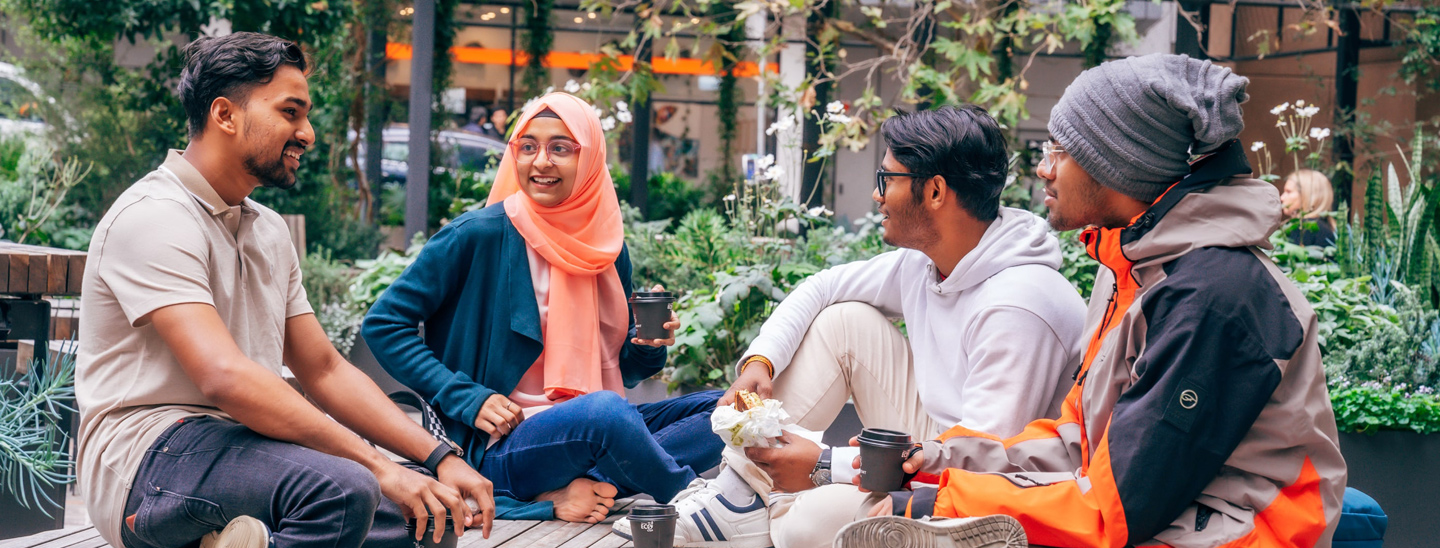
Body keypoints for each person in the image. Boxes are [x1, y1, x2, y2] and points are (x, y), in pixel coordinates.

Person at [836, 54, 1346, 548]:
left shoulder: (1213, 297)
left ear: (1117, 163)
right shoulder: (1128, 267)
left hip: (1245, 534)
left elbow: (1115, 510)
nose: (1043, 170)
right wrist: (945, 461)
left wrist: (945, 502)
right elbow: (1076, 441)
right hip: (1169, 516)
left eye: (1059, 150)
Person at [76, 32, 499, 548]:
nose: (309, 133)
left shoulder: (268, 230)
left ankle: (239, 541)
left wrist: (439, 457)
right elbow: (224, 378)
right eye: (291, 112)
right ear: (225, 115)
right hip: (147, 462)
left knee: (428, 519)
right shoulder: (154, 216)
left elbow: (323, 369)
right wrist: (376, 466)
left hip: (246, 448)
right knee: (344, 490)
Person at [612, 105, 1089, 548]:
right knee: (845, 319)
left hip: (979, 486)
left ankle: (765, 503)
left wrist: (823, 465)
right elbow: (822, 286)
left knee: (805, 528)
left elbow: (982, 455)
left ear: (936, 191)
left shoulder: (1020, 305)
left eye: (887, 178)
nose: (877, 194)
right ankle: (740, 492)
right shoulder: (925, 263)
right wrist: (760, 359)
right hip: (930, 445)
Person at [362, 91, 725, 524]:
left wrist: (647, 345)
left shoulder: (606, 249)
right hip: (498, 443)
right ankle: (694, 503)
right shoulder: (475, 235)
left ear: (589, 159)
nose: (541, 162)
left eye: (560, 148)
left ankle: (584, 484)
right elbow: (384, 324)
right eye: (528, 146)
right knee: (606, 414)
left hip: (585, 430)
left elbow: (625, 370)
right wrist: (465, 396)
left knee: (733, 410)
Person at [1280, 169, 1337, 247]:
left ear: (1307, 195)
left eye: (1288, 192)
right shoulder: (1327, 227)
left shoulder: (1305, 228)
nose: (1282, 198)